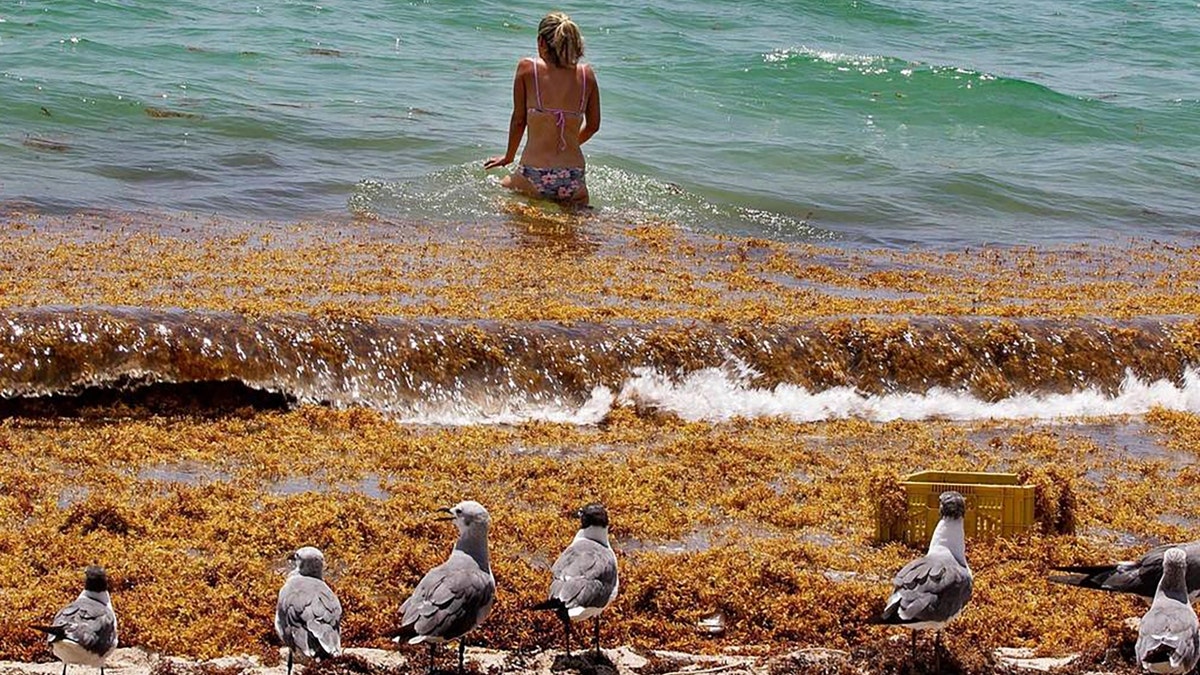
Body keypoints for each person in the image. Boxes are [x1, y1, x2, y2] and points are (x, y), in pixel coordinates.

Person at [484, 12, 600, 206]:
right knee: (572, 234)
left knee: (492, 193)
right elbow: (593, 126)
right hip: (574, 176)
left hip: (534, 174)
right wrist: (569, 143)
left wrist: (508, 157)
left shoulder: (528, 68)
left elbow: (519, 120)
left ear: (541, 42)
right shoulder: (586, 74)